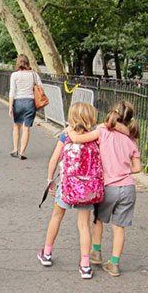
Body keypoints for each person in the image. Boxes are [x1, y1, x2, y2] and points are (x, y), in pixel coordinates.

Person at [66, 101, 141, 277]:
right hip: (128, 188)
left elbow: (77, 139)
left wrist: (69, 130)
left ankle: (96, 252)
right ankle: (114, 263)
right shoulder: (131, 140)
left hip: (109, 186)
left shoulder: (102, 132)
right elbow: (137, 168)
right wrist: (123, 169)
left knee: (97, 219)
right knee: (119, 226)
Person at [37, 103, 101, 279]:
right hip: (87, 188)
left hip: (67, 185)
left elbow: (54, 159)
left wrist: (50, 181)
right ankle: (85, 264)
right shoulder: (95, 136)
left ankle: (47, 253)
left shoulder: (66, 136)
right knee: (83, 225)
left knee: (57, 216)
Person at [8, 54, 39, 160]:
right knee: (26, 129)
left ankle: (15, 149)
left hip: (18, 102)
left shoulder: (14, 75)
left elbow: (12, 91)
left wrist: (10, 106)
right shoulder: (34, 75)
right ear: (27, 63)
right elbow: (40, 87)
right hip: (30, 102)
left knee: (16, 126)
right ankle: (22, 151)